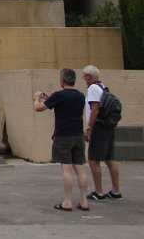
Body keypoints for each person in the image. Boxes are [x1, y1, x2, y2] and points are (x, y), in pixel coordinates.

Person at [34, 67, 91, 212]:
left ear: (62, 80)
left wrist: (37, 98)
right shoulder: (80, 96)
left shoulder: (59, 95)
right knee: (80, 168)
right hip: (78, 135)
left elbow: (38, 108)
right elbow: (64, 104)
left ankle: (68, 201)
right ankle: (84, 201)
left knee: (67, 168)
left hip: (63, 136)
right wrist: (50, 98)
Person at [82, 65, 121, 201]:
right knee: (110, 159)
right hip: (108, 125)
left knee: (93, 160)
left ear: (89, 77)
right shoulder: (103, 87)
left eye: (84, 76)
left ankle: (99, 192)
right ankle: (116, 191)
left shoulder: (92, 88)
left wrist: (89, 127)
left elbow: (95, 109)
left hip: (99, 126)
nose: (84, 79)